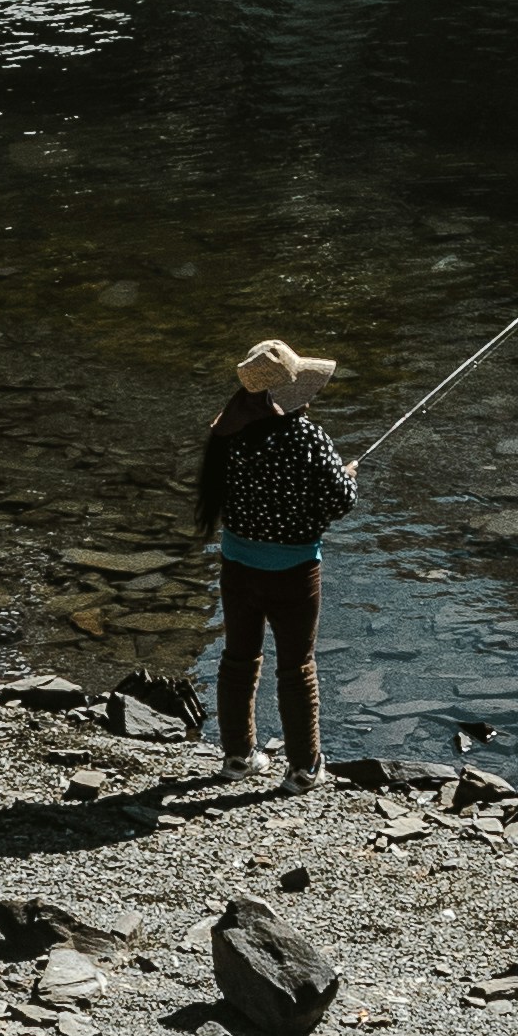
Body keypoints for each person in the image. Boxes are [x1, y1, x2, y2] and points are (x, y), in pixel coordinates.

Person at [196, 333, 358, 783]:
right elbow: (340, 501)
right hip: (294, 572)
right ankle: (304, 768)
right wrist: (347, 477)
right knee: (296, 666)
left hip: (237, 569)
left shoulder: (227, 436)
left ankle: (237, 758)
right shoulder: (307, 436)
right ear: (295, 392)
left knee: (238, 660)